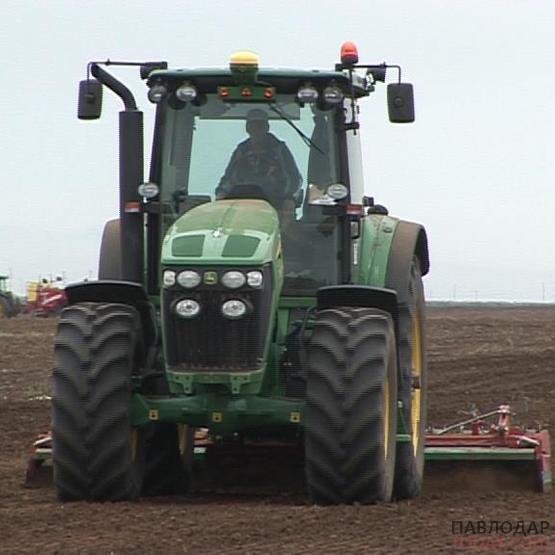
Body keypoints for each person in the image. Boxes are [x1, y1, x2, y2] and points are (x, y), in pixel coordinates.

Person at [215, 109, 303, 210]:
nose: (256, 130)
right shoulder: (241, 151)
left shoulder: (279, 150)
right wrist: (221, 194)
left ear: (267, 128)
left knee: (288, 208)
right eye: (253, 126)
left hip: (274, 203)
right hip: (243, 203)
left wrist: (289, 198)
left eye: (260, 126)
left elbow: (293, 178)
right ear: (247, 129)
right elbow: (229, 178)